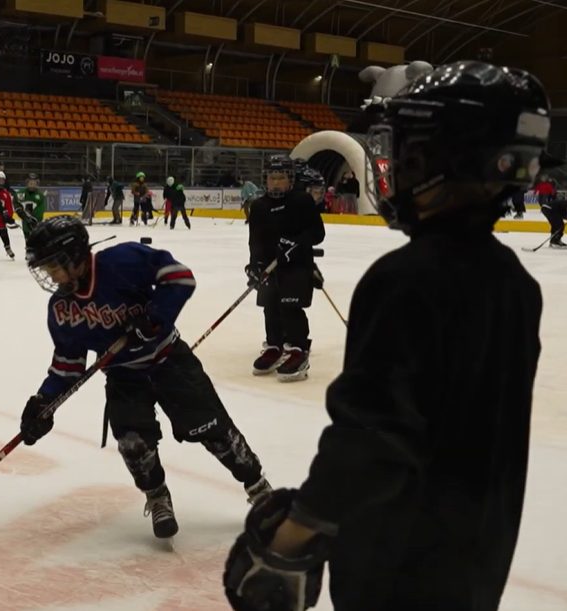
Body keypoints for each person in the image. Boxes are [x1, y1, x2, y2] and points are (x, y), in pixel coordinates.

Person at [224, 60, 548, 611]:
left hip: (397, 562)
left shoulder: (406, 280)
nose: (392, 165)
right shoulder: (514, 283)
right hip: (477, 556)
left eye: (406, 150)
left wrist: (295, 532)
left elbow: (372, 439)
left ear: (448, 157)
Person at [21, 216, 273, 539]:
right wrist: (44, 402)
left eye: (53, 266)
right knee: (133, 443)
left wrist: (155, 318)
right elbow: (68, 363)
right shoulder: (62, 309)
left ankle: (257, 485)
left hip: (169, 360)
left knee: (213, 429)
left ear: (74, 256)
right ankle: (157, 495)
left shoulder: (122, 261)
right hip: (123, 376)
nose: (51, 276)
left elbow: (180, 278)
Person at [245, 155, 325, 381]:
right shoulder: (259, 206)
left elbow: (317, 233)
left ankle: (298, 349)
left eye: (281, 177)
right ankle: (274, 346)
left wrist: (296, 243)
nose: (276, 182)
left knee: (290, 307)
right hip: (270, 267)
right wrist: (254, 265)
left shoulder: (302, 201)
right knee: (269, 306)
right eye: (272, 177)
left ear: (290, 179)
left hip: (297, 265)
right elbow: (255, 241)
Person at [0, 170, 17, 259]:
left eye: (1, 180)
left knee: (5, 236)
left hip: (1, 220)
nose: (0, 183)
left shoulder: (6, 193)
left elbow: (9, 206)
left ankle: (8, 248)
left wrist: (8, 216)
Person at [14, 173, 46, 240]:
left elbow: (40, 210)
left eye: (34, 183)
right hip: (25, 222)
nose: (32, 185)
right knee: (27, 239)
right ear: (27, 183)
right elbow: (16, 203)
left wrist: (35, 219)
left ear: (37, 184)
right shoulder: (20, 193)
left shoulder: (40, 196)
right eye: (30, 183)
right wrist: (20, 211)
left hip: (36, 223)